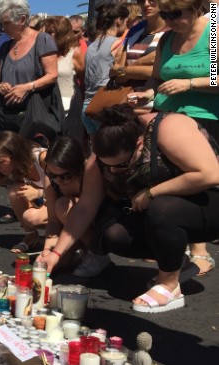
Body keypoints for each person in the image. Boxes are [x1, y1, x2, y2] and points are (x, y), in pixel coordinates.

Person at [92, 105, 219, 313]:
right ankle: (177, 258)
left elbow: (211, 174)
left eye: (119, 165)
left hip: (206, 111)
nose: (113, 171)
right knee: (115, 231)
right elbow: (86, 206)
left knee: (162, 207)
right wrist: (58, 253)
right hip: (172, 107)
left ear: (139, 144)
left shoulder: (212, 72)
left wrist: (194, 85)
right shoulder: (113, 138)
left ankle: (172, 283)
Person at [130, 0, 219, 276]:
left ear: (195, 9)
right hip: (168, 121)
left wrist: (190, 83)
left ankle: (201, 252)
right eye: (164, 14)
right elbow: (155, 80)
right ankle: (173, 254)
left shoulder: (214, 30)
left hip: (206, 121)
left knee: (197, 187)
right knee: (169, 185)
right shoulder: (167, 36)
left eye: (175, 14)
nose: (169, 20)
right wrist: (146, 94)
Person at [0, 0, 61, 144]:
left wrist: (26, 87)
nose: (3, 28)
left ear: (22, 19)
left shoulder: (42, 40)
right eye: (2, 23)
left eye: (7, 23)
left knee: (30, 162)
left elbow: (52, 75)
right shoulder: (5, 46)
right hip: (7, 118)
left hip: (33, 117)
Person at [36, 136, 107, 276]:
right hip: (69, 229)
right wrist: (47, 250)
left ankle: (96, 254)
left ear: (77, 167)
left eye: (65, 176)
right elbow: (53, 223)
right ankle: (79, 250)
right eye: (52, 175)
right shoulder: (51, 181)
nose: (58, 180)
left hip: (96, 224)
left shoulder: (89, 173)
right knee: (55, 265)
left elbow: (86, 211)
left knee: (62, 205)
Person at [0, 130, 49, 253]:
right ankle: (31, 235)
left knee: (32, 217)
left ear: (15, 155)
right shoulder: (10, 167)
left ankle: (59, 239)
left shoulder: (43, 158)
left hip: (65, 202)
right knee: (14, 191)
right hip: (48, 201)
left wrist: (39, 193)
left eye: (1, 162)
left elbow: (67, 186)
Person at [82, 3, 129, 137]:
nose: (126, 25)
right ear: (119, 20)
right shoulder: (119, 44)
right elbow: (121, 70)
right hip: (105, 106)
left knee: (96, 152)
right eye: (126, 21)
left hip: (87, 107)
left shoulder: (91, 46)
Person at [109, 0, 168, 106]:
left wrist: (123, 70)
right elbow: (118, 77)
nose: (146, 4)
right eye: (141, 0)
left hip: (160, 104)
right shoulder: (135, 31)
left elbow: (165, 71)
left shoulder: (174, 29)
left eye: (152, 0)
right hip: (130, 103)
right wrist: (144, 63)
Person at [42, 16, 85, 144]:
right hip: (48, 106)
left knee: (69, 146)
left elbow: (82, 80)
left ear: (61, 33)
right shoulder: (44, 53)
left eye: (50, 32)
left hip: (69, 106)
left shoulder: (75, 52)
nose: (46, 36)